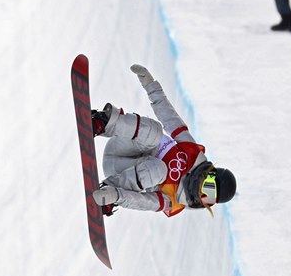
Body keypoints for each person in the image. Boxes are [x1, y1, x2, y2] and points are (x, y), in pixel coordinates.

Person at [90, 64, 237, 217]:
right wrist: (150, 85)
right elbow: (169, 117)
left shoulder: (175, 201)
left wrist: (118, 197)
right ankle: (104, 124)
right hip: (122, 146)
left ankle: (109, 193)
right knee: (156, 132)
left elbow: (144, 202)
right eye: (208, 188)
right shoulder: (192, 152)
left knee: (159, 169)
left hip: (119, 172)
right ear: (208, 174)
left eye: (209, 199)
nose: (202, 194)